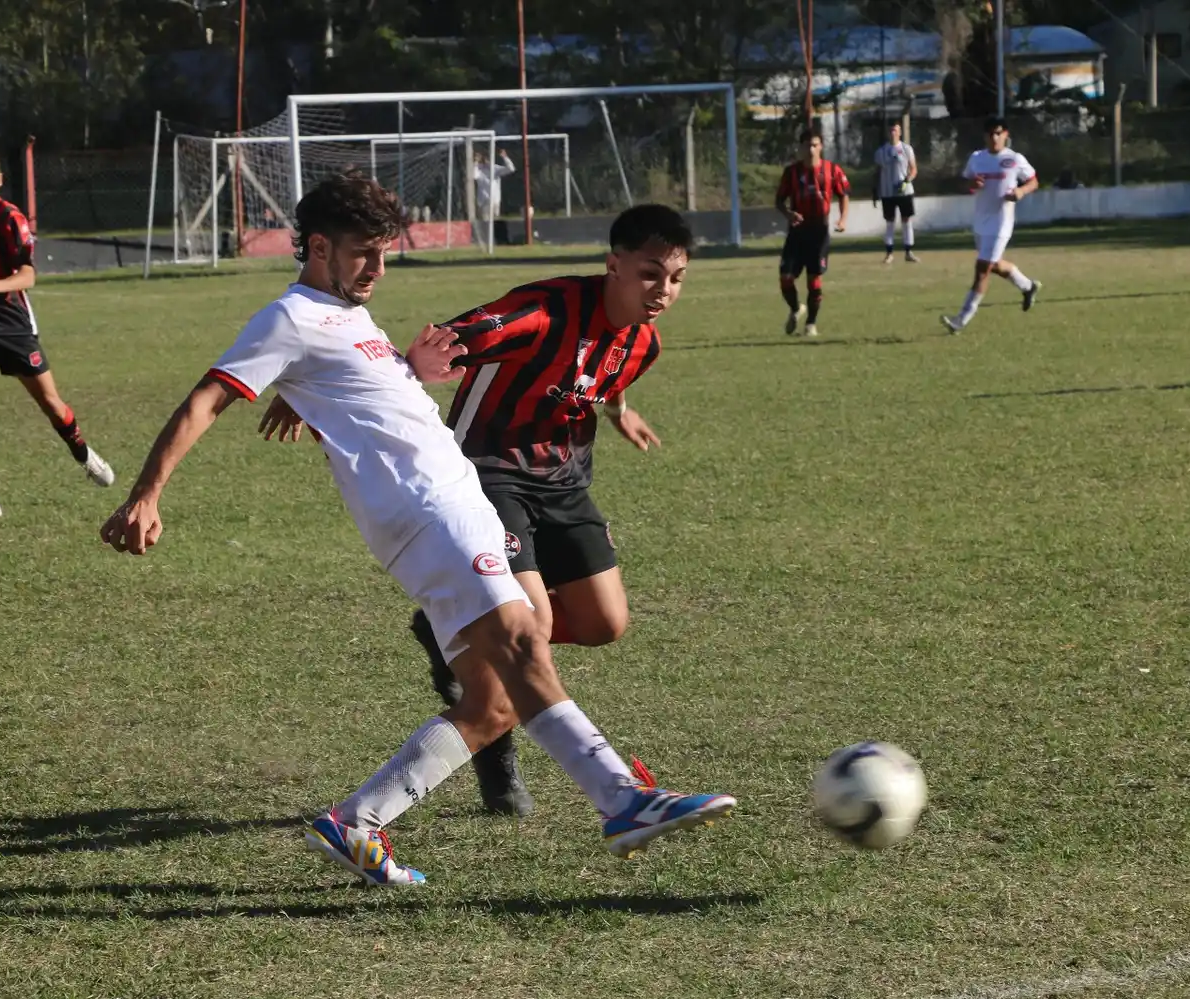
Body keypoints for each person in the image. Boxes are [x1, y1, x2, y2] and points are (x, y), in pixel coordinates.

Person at [100, 172, 735, 886]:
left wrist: (363, 384)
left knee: (494, 701)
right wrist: (147, 494)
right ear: (316, 248)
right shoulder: (290, 317)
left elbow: (360, 400)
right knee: (527, 636)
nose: (377, 268)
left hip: (453, 504)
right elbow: (205, 400)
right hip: (428, 512)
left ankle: (355, 821)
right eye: (362, 252)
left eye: (384, 252)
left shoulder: (349, 316)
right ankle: (623, 799)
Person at [262, 204, 688, 818]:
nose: (663, 290)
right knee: (529, 628)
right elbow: (436, 346)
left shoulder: (644, 342)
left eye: (675, 278)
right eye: (650, 274)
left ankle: (460, 633)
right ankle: (493, 655)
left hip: (563, 484)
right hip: (487, 476)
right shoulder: (540, 311)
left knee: (604, 623)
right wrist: (321, 397)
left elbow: (606, 371)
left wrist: (620, 413)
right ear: (614, 266)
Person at [0, 149, 114, 520]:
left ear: (0, 179)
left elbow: (28, 275)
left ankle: (84, 455)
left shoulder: (9, 219)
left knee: (50, 403)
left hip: (10, 323)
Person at [940, 117, 1042, 334]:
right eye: (990, 134)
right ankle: (1028, 286)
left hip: (1002, 223)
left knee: (982, 270)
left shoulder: (1014, 159)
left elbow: (1033, 181)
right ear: (985, 136)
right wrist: (970, 184)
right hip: (981, 221)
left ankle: (961, 320)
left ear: (1006, 135)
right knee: (992, 264)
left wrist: (1021, 191)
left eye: (999, 133)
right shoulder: (977, 158)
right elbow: (963, 182)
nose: (994, 138)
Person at [776, 129, 849, 338]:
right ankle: (796, 308)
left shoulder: (832, 170)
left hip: (819, 232)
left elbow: (843, 194)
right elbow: (779, 201)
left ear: (821, 147)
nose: (811, 149)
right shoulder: (791, 173)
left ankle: (811, 324)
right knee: (785, 278)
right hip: (797, 232)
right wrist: (788, 214)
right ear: (800, 148)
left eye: (815, 145)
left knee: (814, 280)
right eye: (807, 145)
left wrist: (842, 219)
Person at [873, 121, 919, 263]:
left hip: (904, 192)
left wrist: (906, 181)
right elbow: (877, 172)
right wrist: (875, 191)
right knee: (890, 222)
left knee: (906, 220)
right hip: (887, 193)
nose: (893, 133)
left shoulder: (906, 149)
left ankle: (908, 251)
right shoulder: (881, 152)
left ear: (900, 132)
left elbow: (913, 169)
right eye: (891, 130)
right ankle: (889, 253)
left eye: (896, 130)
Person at [473, 148, 515, 245]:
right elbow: (473, 176)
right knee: (485, 222)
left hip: (495, 200)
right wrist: (475, 162)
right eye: (483, 159)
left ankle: (497, 241)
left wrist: (505, 157)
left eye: (487, 159)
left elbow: (511, 169)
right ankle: (486, 242)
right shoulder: (479, 169)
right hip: (484, 201)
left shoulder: (495, 169)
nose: (486, 161)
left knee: (495, 222)